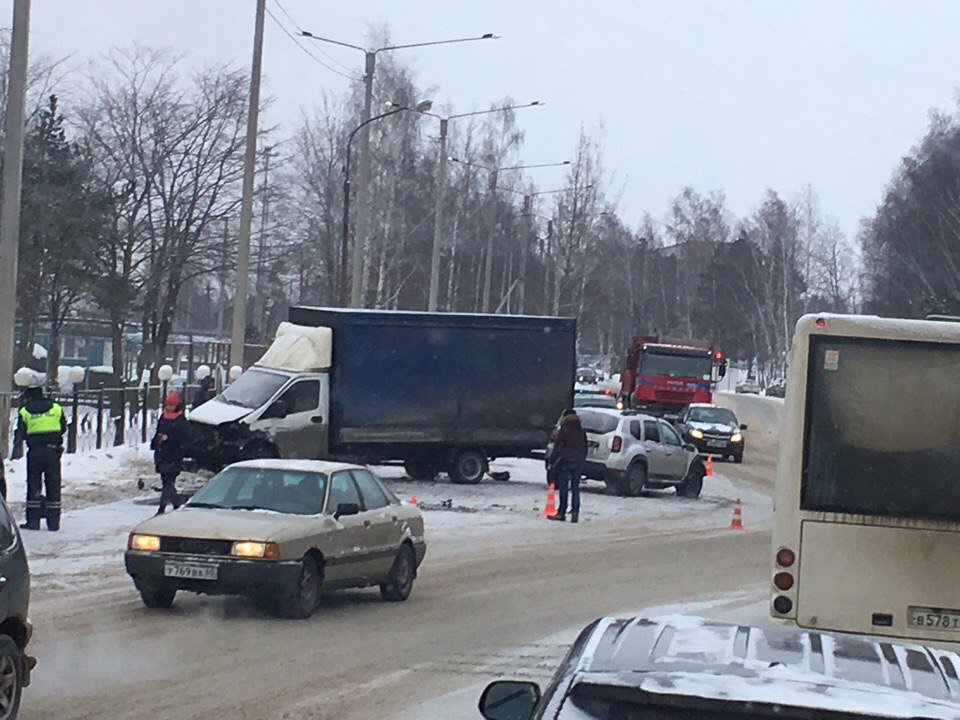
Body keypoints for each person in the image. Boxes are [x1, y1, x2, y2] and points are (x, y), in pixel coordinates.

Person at [14, 384, 67, 530]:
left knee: (34, 485)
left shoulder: (25, 411)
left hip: (35, 452)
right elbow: (63, 427)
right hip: (53, 451)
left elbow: (22, 432)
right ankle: (54, 523)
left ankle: (33, 521)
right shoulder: (56, 408)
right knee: (53, 485)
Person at [547, 408, 587, 523]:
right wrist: (581, 459)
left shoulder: (564, 430)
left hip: (565, 461)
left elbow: (558, 446)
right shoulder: (581, 431)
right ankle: (575, 513)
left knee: (564, 488)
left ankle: (561, 512)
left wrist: (552, 459)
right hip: (578, 462)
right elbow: (585, 447)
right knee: (575, 488)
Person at [151, 391, 188, 514]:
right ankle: (177, 503)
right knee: (167, 481)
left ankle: (162, 508)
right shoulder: (163, 416)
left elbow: (184, 437)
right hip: (162, 453)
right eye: (167, 405)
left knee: (168, 481)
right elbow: (158, 430)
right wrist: (157, 441)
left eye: (171, 405)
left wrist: (169, 438)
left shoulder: (181, 420)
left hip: (174, 454)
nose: (168, 408)